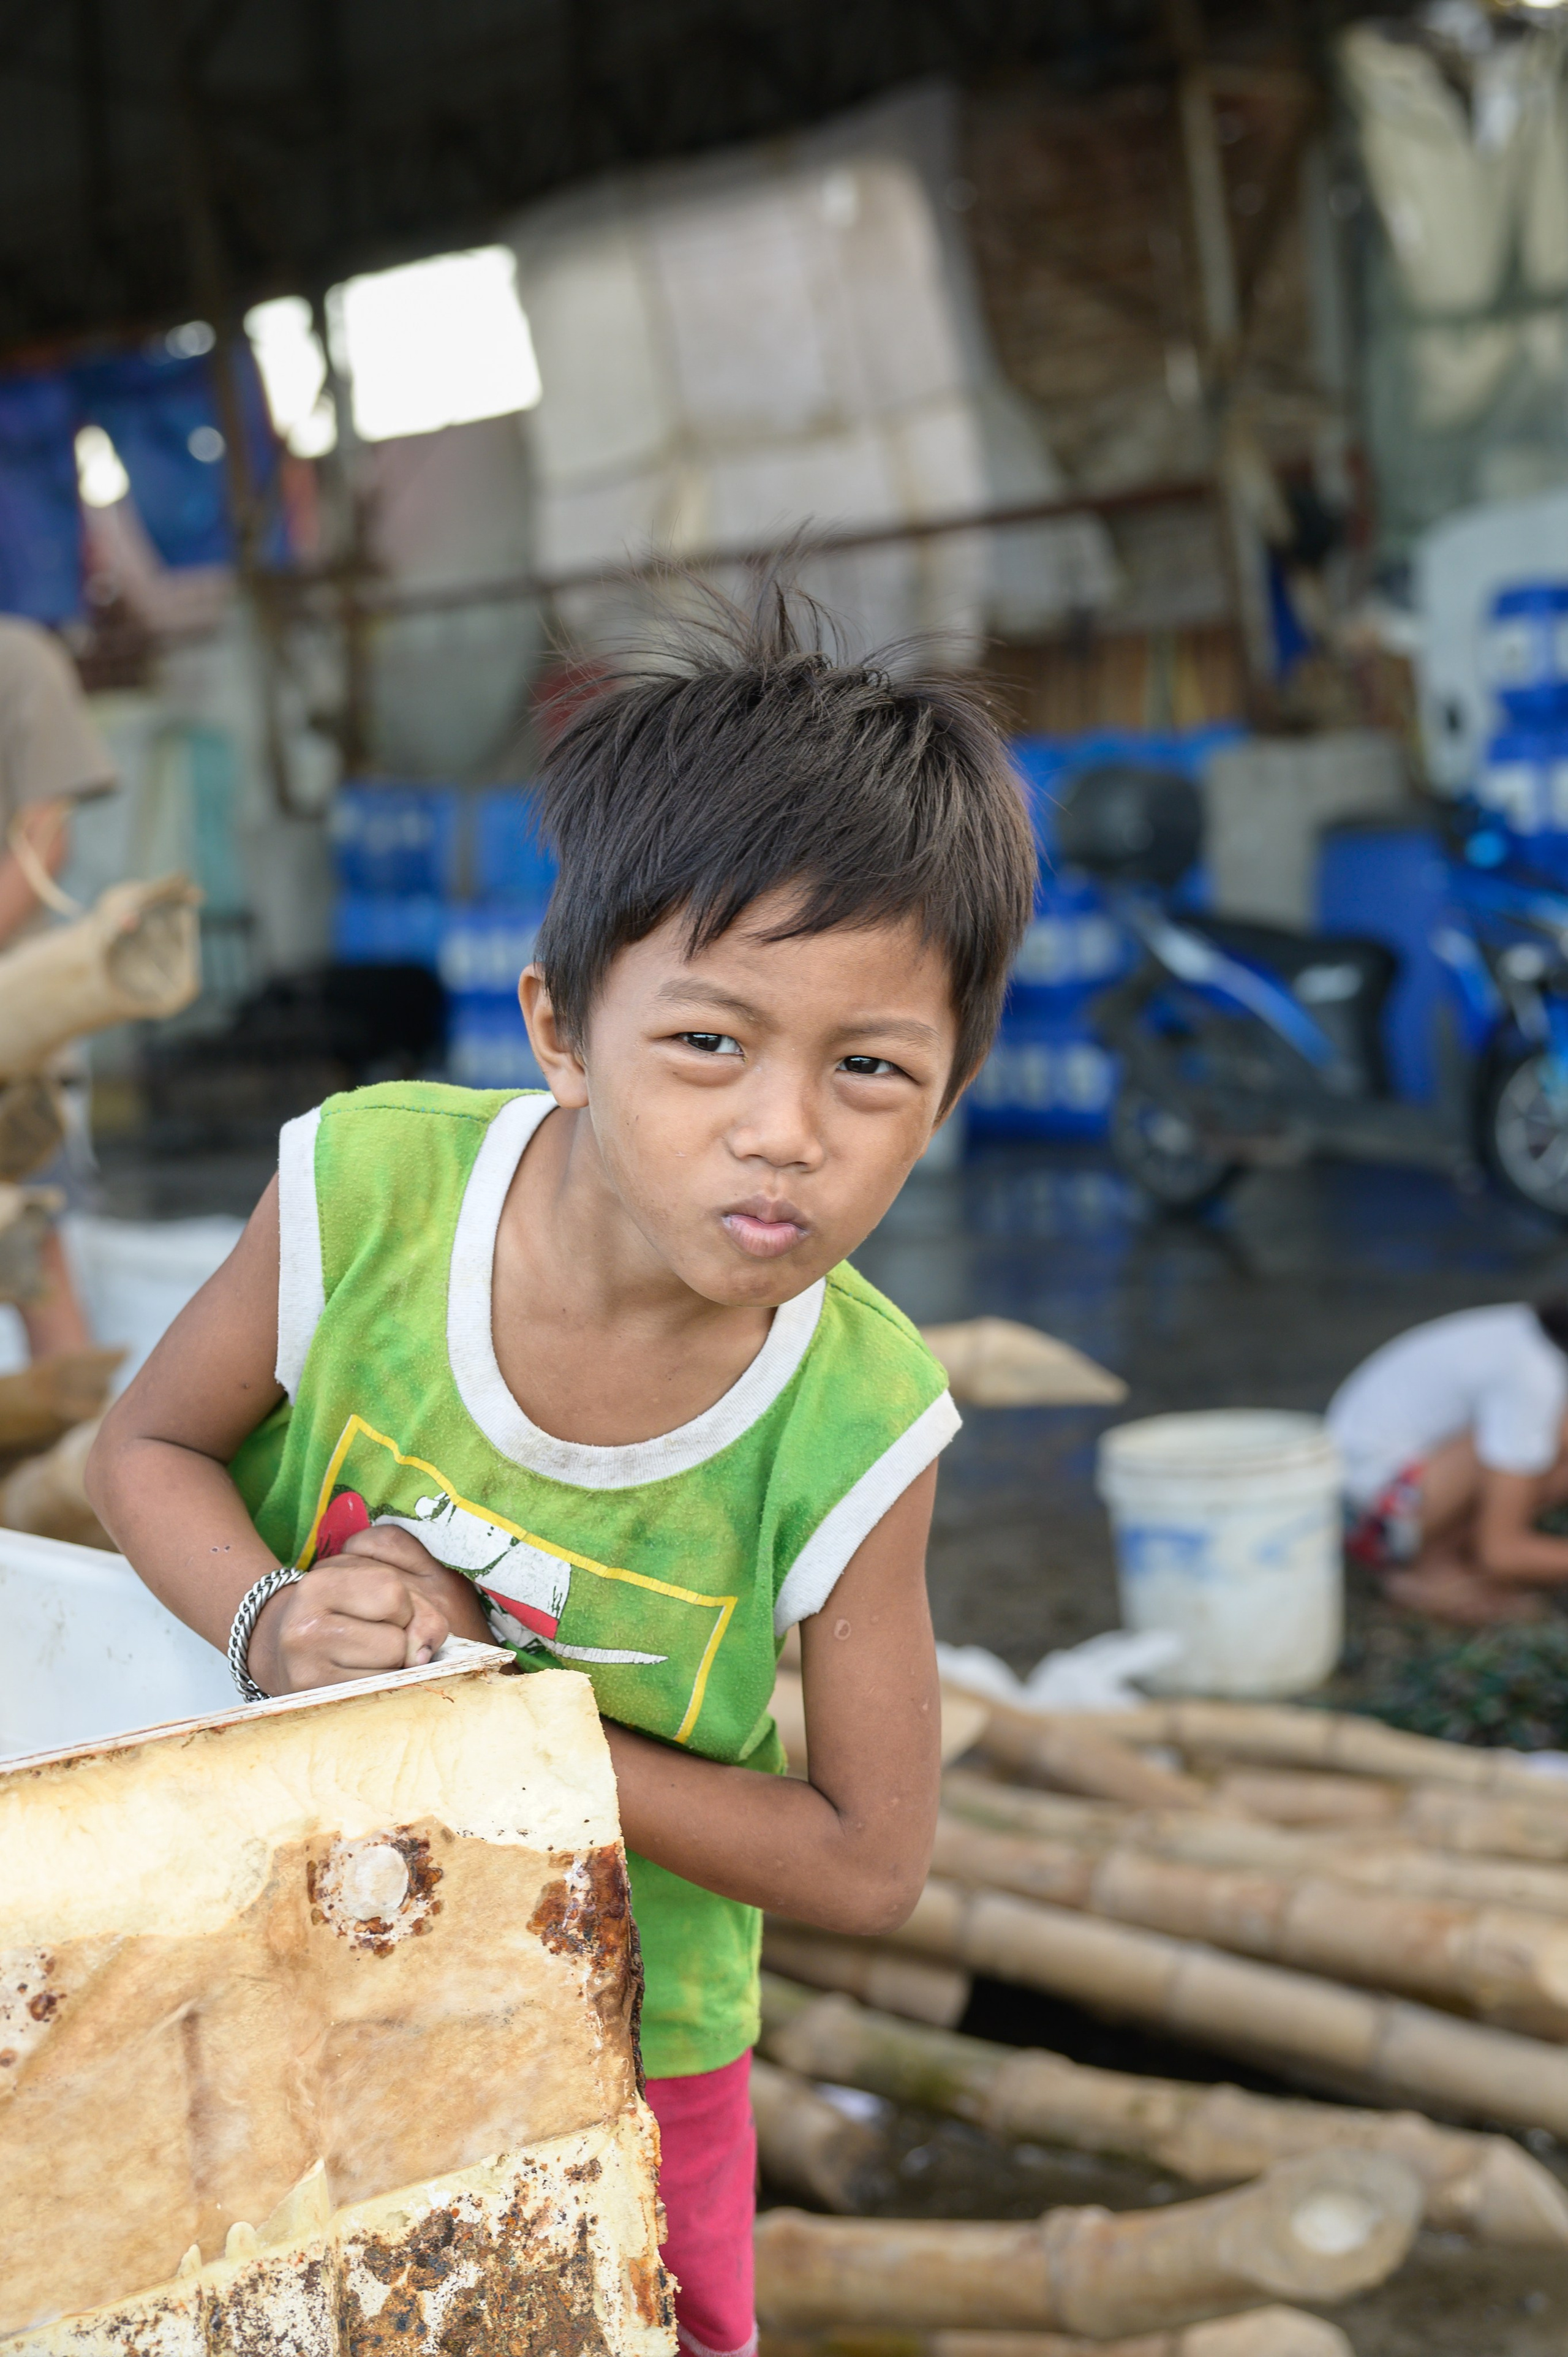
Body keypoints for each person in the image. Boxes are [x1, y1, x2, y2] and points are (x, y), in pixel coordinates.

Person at [85, 580, 1036, 2357]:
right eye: (708, 1042)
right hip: (258, 1939)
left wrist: (503, 1716)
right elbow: (142, 1446)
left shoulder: (858, 1421)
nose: (782, 1132)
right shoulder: (369, 1196)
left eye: (870, 1068)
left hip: (618, 2032)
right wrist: (271, 1621)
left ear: (951, 1088)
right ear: (559, 1028)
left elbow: (866, 1861)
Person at [0, 617, 116, 1358]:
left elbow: (45, 840)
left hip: (11, 1037)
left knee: (31, 1251)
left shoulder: (17, 661)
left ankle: (77, 1430)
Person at [1327, 1298, 1568, 1624]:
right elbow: (1502, 1554)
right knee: (1542, 1436)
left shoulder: (1527, 1331)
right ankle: (1426, 1574)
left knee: (1537, 1443)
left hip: (1366, 1497)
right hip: (1368, 1521)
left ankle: (1442, 1563)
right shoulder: (1533, 1376)